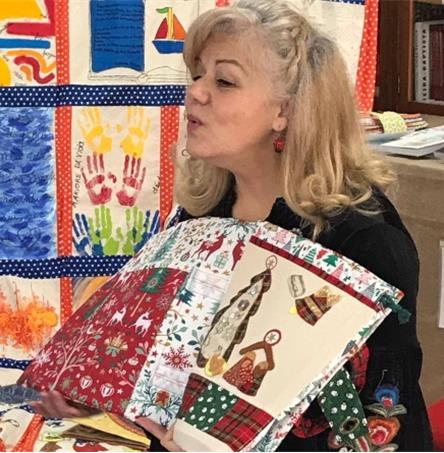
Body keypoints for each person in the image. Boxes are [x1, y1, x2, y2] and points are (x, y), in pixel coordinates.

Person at [32, 0, 433, 451]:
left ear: (286, 109)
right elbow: (175, 372)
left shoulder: (362, 238)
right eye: (197, 75)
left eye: (223, 81)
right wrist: (101, 390)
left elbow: (383, 422)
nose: (196, 93)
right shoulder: (204, 214)